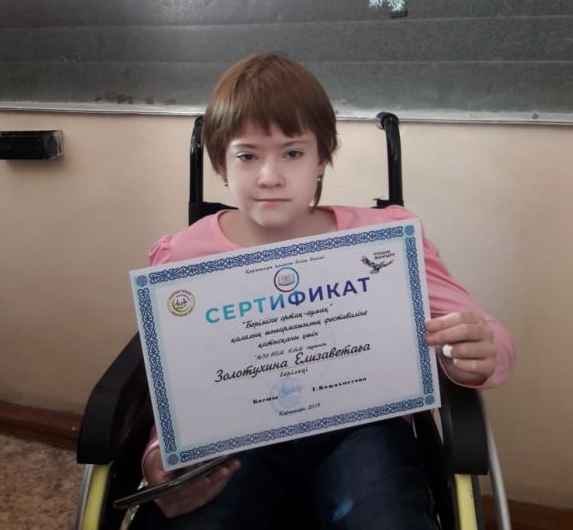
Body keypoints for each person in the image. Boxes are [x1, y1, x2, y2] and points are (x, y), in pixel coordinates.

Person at [141, 52, 516, 529]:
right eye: (247, 155)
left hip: (362, 431)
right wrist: (160, 454)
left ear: (322, 158)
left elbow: (491, 339)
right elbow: (178, 384)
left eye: (293, 153)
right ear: (220, 161)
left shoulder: (385, 239)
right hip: (236, 437)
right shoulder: (183, 256)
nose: (270, 176)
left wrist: (476, 353)